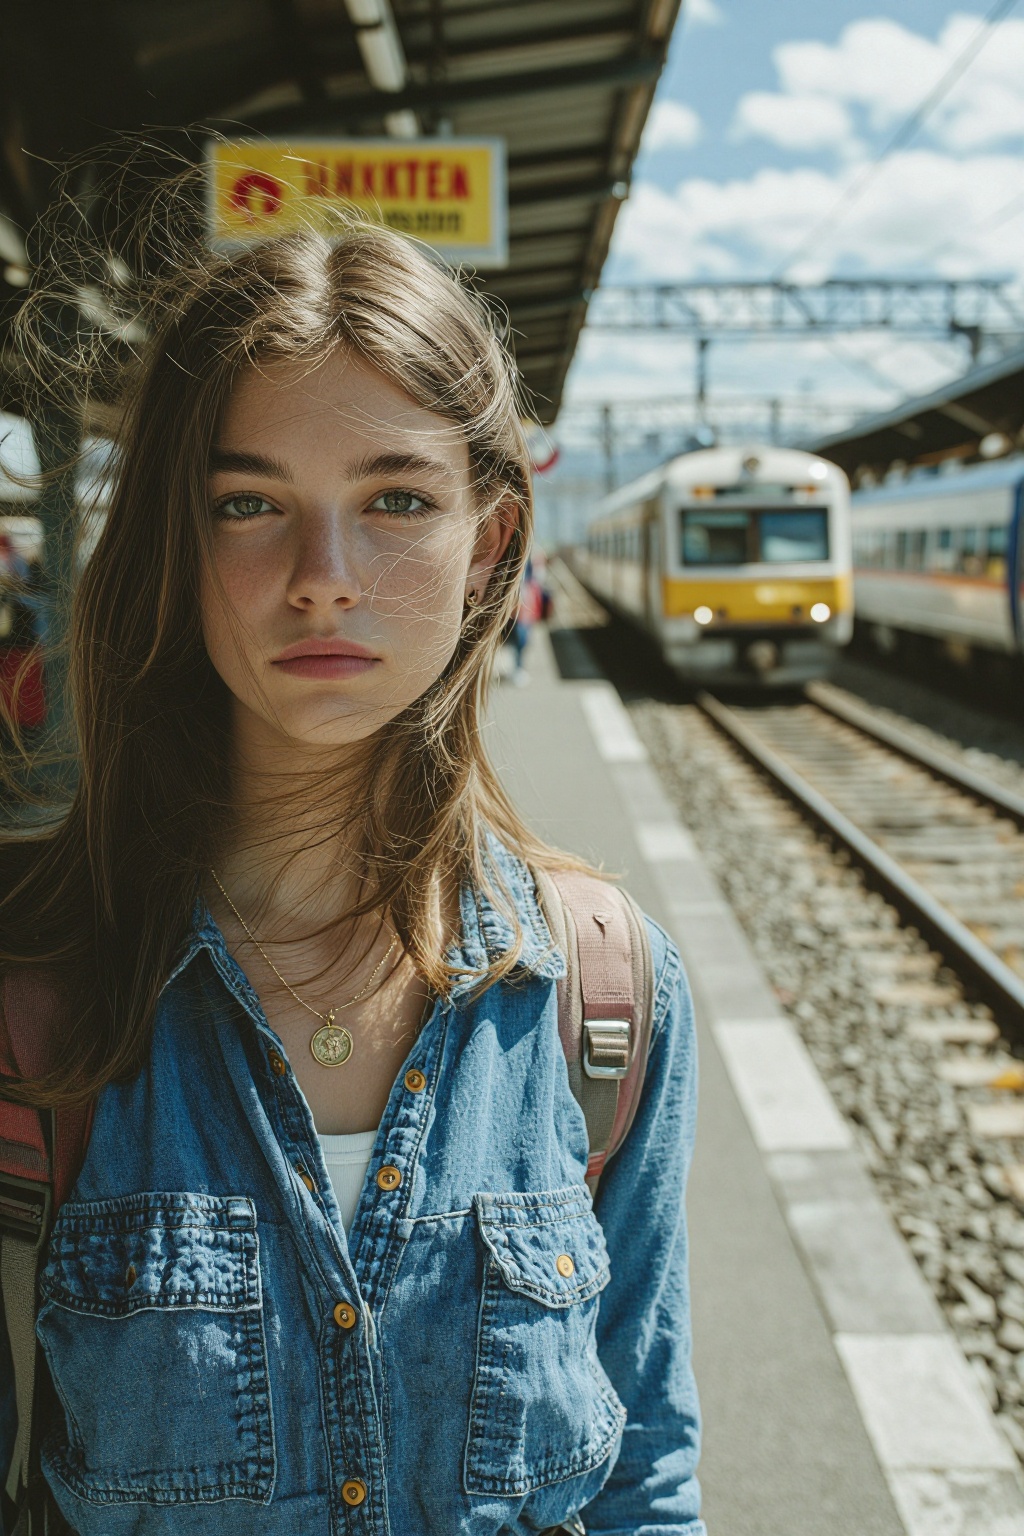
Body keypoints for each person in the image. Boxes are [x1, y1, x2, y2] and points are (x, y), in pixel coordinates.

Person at [0, 216, 703, 1535]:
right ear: (178, 541)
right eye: (250, 504)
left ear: (489, 545)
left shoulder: (607, 1003)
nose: (325, 582)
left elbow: (647, 1478)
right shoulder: (28, 986)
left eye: (395, 500)